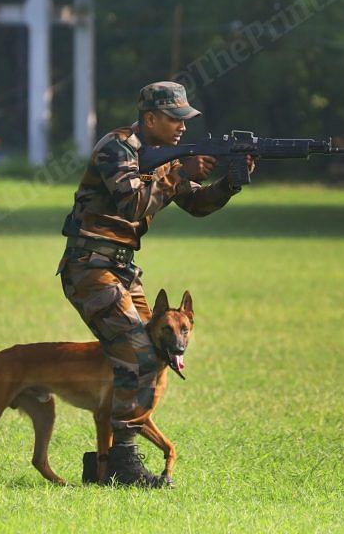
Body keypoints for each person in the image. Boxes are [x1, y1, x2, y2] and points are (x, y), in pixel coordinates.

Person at [56, 80, 255, 486]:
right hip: (90, 266)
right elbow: (133, 201)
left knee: (156, 349)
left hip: (123, 269)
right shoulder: (117, 147)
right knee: (138, 352)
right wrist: (178, 171)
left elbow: (196, 204)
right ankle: (122, 466)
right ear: (150, 118)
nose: (183, 127)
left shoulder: (166, 157)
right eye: (174, 118)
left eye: (185, 119)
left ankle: (105, 462)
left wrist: (230, 183)